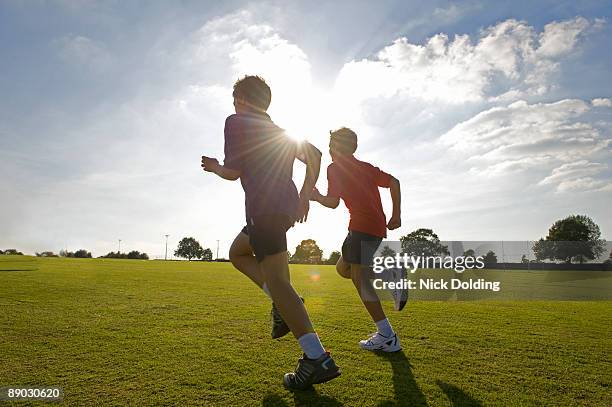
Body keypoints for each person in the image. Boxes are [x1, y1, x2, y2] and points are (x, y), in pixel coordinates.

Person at [201, 75, 340, 389]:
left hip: (263, 210)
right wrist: (304, 195)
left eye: (236, 100)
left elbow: (233, 172)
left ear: (242, 100)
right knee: (238, 253)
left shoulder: (236, 122)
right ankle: (282, 302)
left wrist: (214, 167)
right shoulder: (279, 131)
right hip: (282, 209)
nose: (234, 105)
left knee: (278, 281)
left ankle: (317, 358)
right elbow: (315, 156)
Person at [311, 127, 403, 352]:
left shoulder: (334, 168)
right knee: (343, 269)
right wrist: (396, 214)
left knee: (359, 279)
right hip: (375, 227)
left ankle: (386, 335)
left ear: (335, 146)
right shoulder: (366, 167)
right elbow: (394, 182)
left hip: (361, 227)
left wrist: (315, 197)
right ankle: (387, 274)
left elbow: (333, 202)